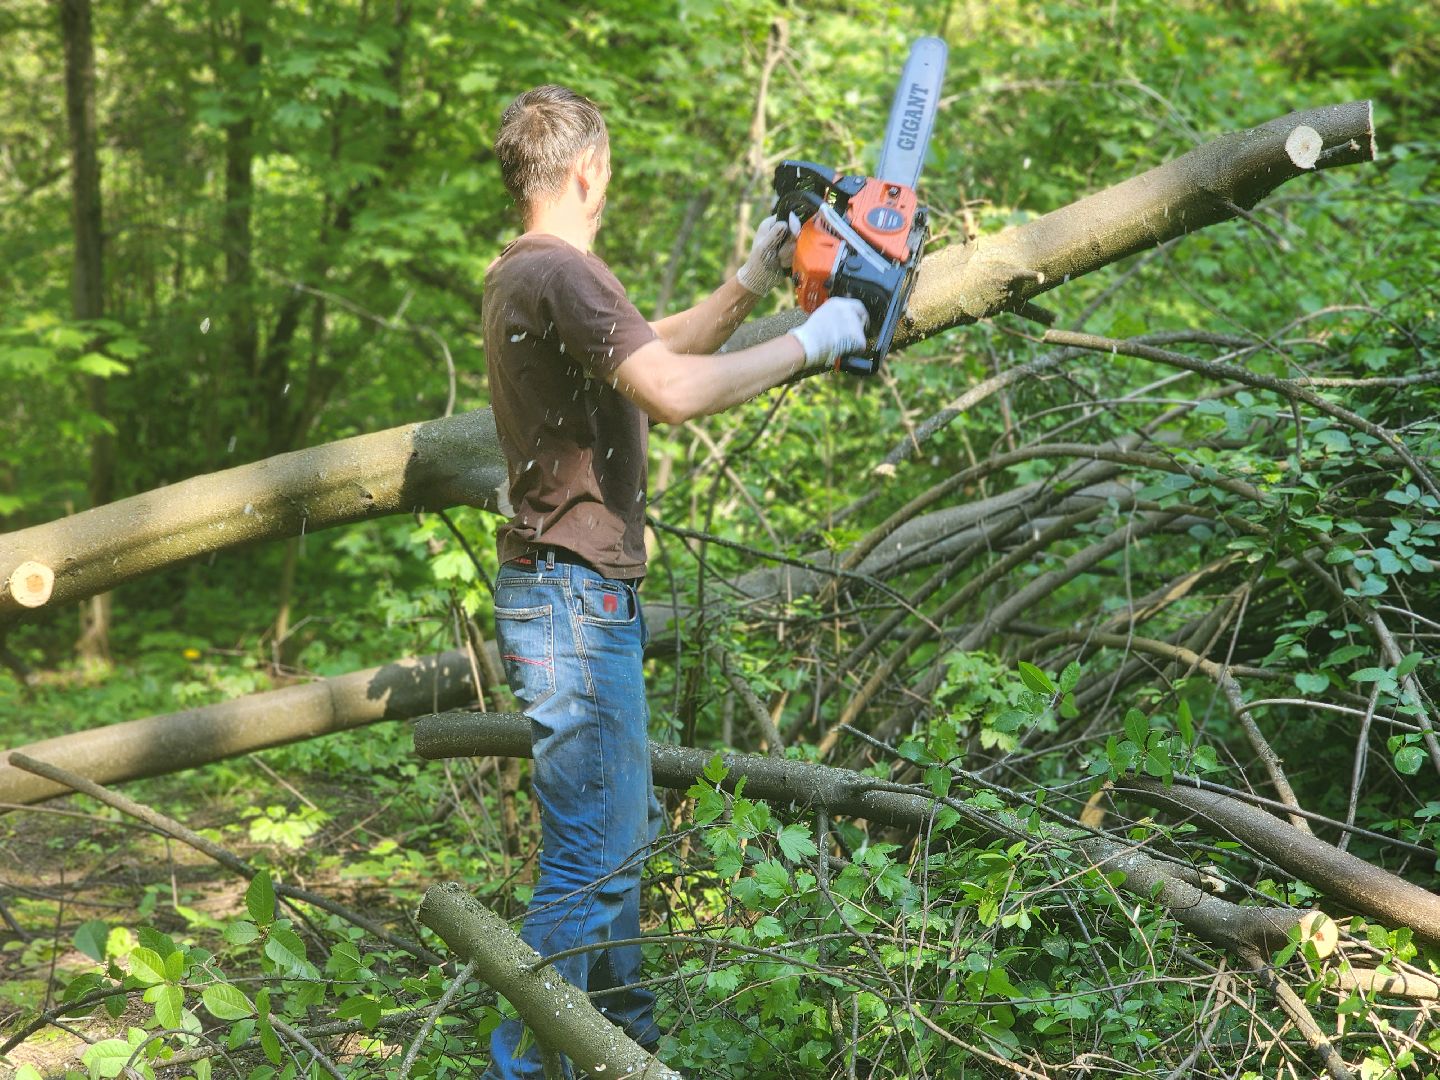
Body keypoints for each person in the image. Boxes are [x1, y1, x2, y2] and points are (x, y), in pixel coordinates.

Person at [479, 83, 867, 1079]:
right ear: (590, 169)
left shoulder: (526, 272)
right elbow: (674, 391)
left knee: (613, 836)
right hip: (570, 599)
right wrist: (816, 339)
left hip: (570, 596)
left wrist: (750, 281)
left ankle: (623, 1050)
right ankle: (525, 1066)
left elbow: (655, 351)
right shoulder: (563, 271)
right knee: (594, 852)